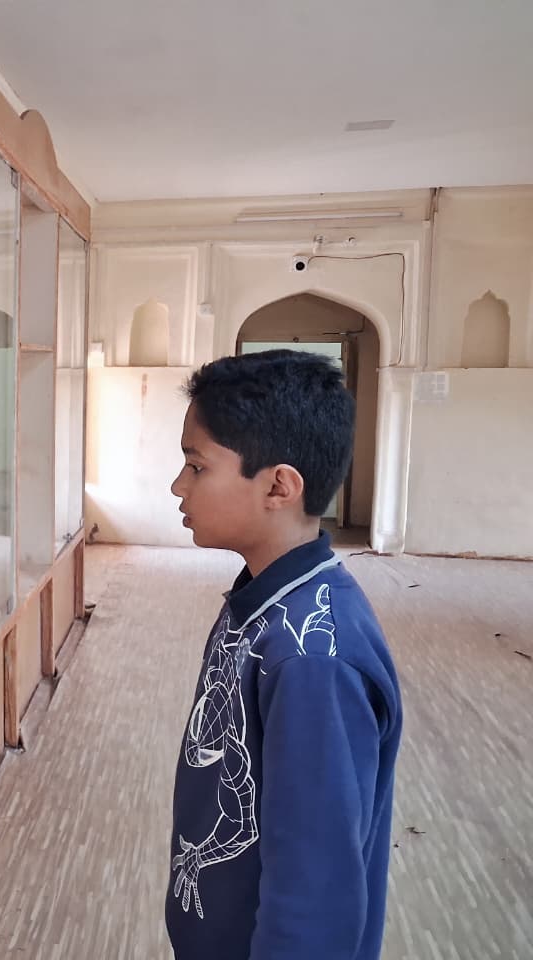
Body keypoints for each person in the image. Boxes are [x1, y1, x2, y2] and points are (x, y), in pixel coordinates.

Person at [166, 349, 402, 959]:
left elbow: (316, 893)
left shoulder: (313, 661)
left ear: (278, 486)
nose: (178, 486)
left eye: (197, 466)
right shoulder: (262, 600)